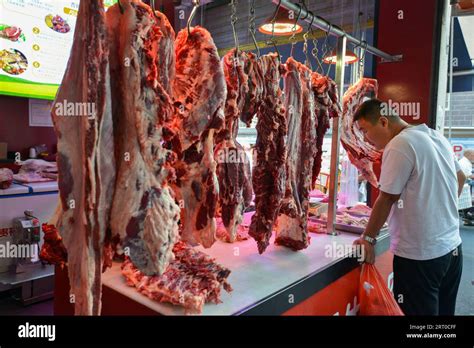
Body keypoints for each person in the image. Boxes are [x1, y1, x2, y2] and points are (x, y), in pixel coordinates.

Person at [352, 99, 465, 316]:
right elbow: (460, 178)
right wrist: (439, 209)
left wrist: (368, 239)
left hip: (421, 256)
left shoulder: (399, 144)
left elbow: (387, 198)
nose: (366, 139)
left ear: (383, 122)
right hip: (452, 249)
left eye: (366, 131)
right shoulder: (435, 136)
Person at [458, 149, 473, 225]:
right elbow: (466, 175)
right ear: (469, 155)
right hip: (464, 185)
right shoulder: (464, 162)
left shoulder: (464, 162)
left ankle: (467, 219)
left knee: (465, 203)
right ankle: (467, 218)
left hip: (464, 185)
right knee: (465, 202)